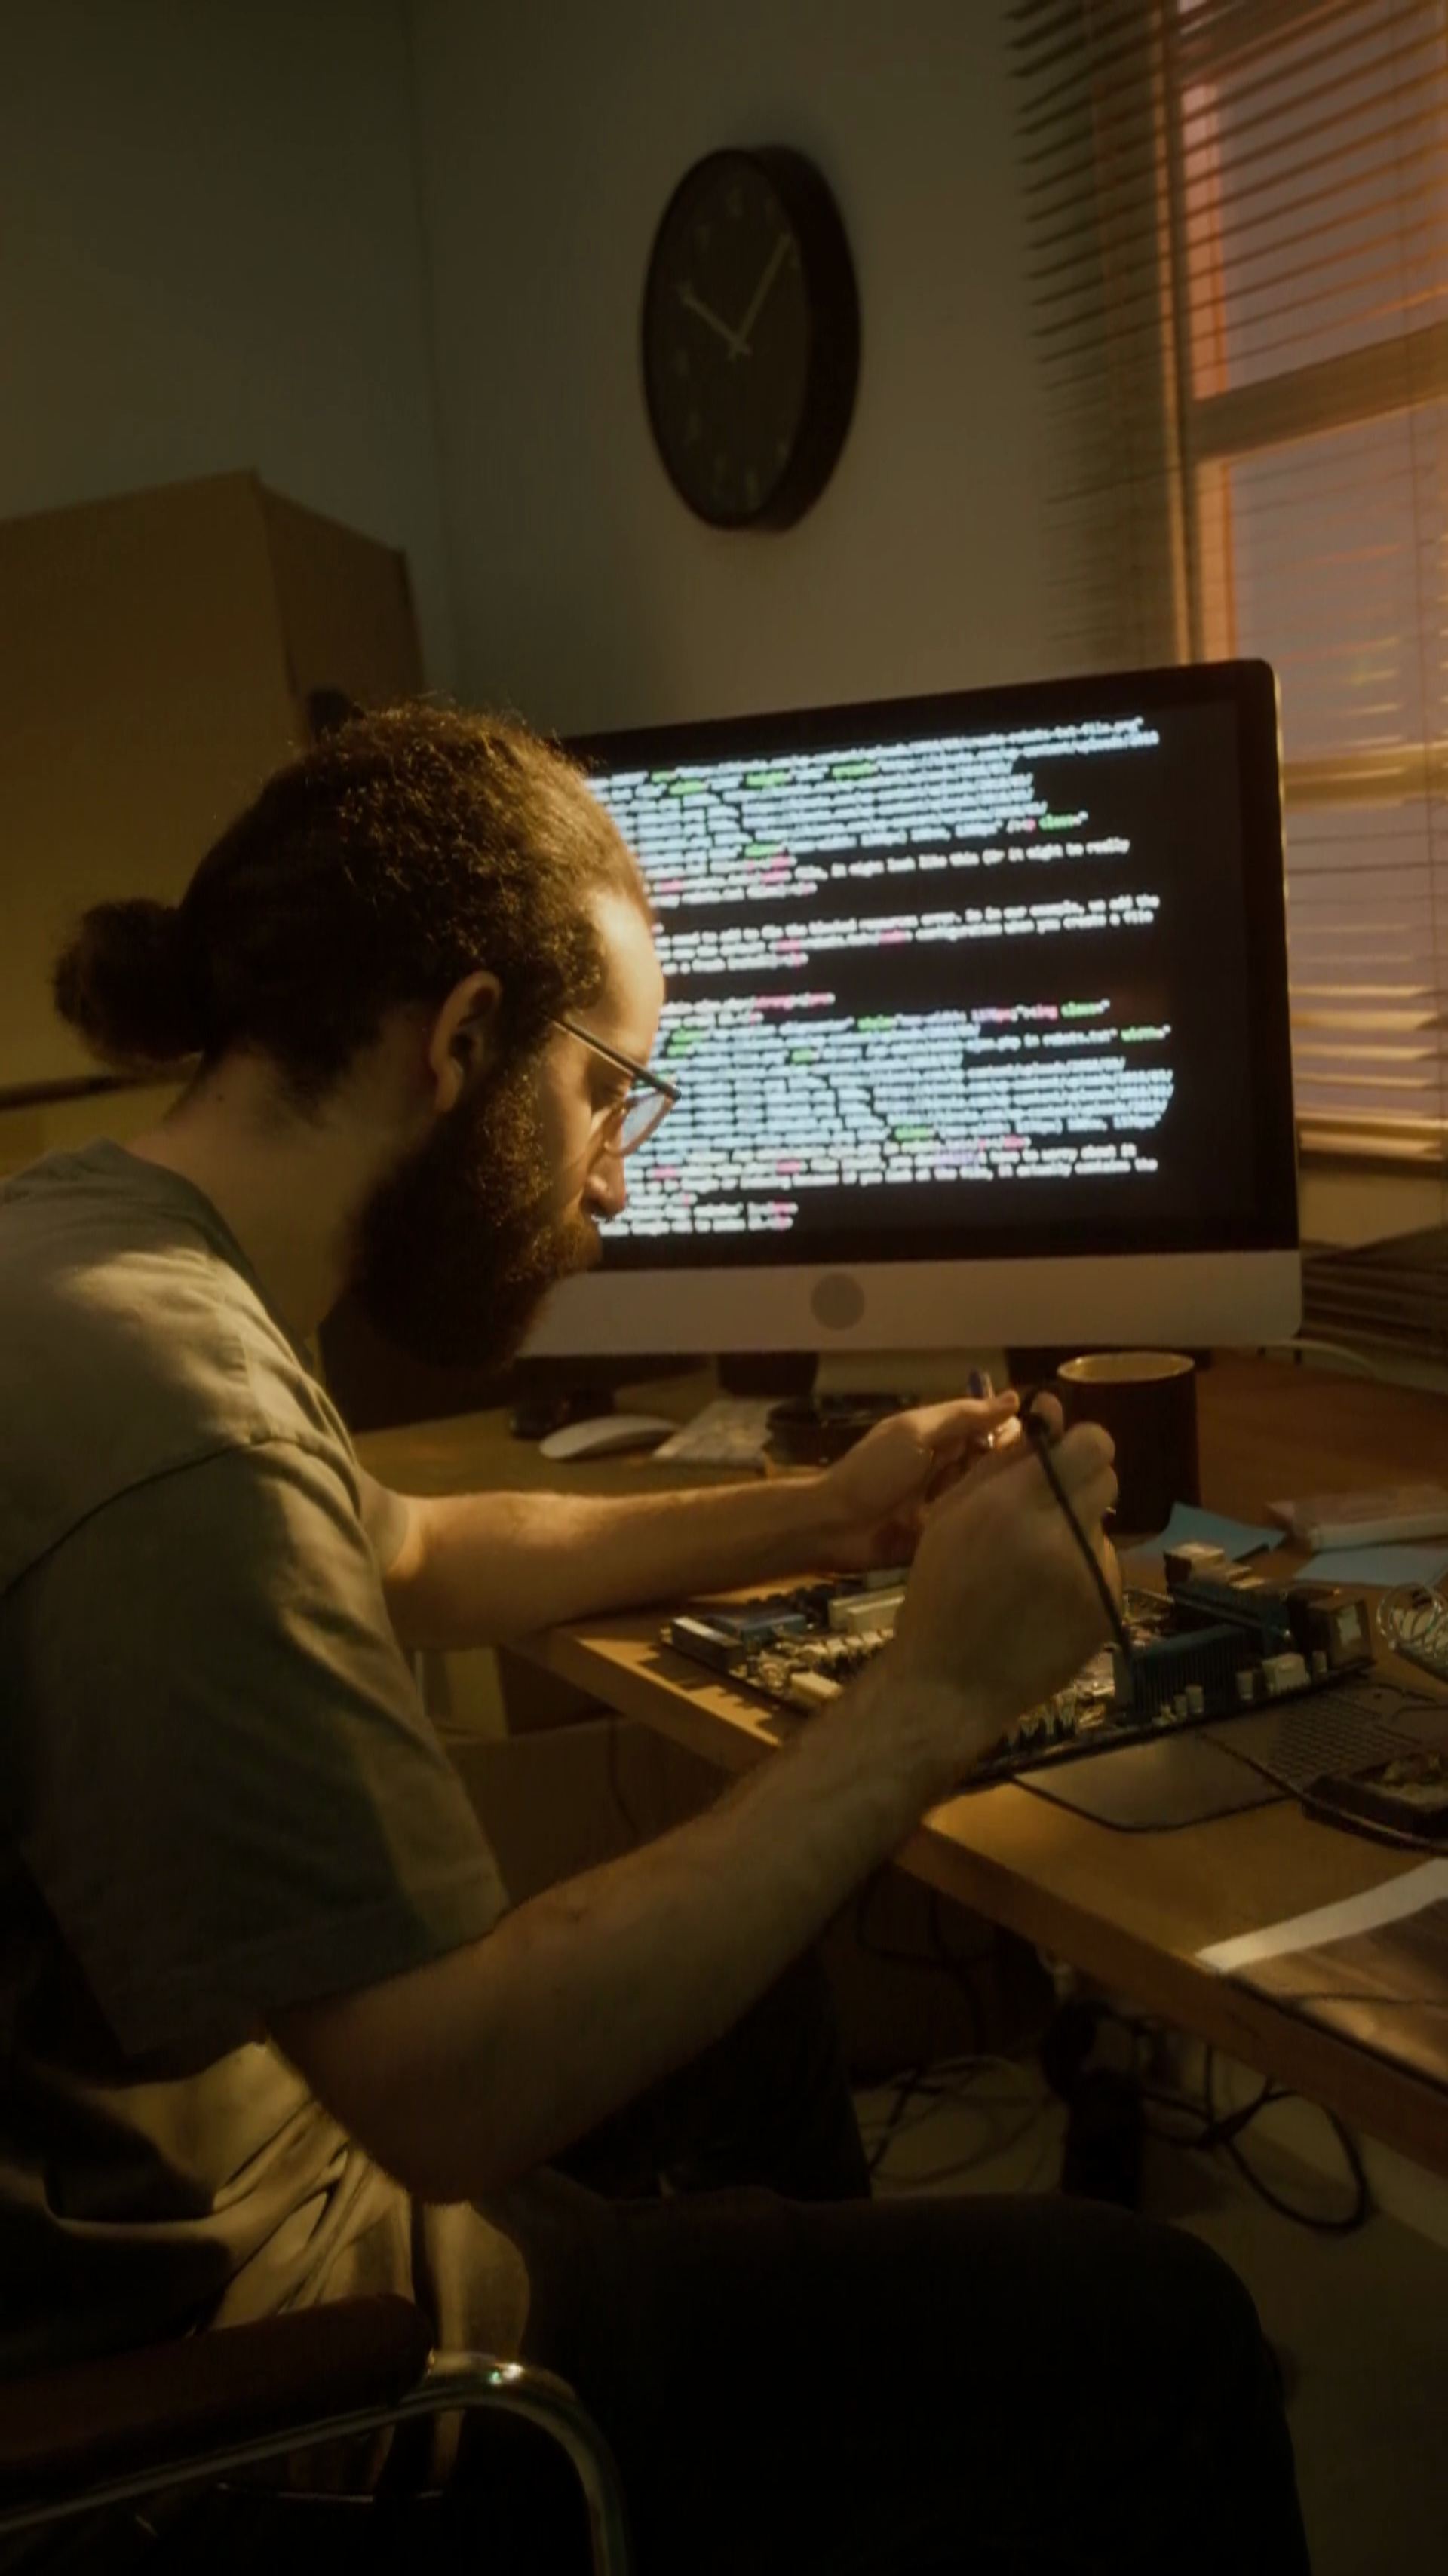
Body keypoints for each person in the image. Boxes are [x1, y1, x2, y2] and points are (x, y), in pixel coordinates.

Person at [0, 705, 1310, 2573]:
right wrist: (933, 1691)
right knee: (1165, 2335)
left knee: (755, 2000)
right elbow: (448, 2089)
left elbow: (412, 1545)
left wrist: (821, 1510)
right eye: (609, 1089)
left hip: (209, 2190)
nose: (615, 1175)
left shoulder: (88, 1250)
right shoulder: (183, 1421)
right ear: (462, 1039)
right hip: (257, 2372)